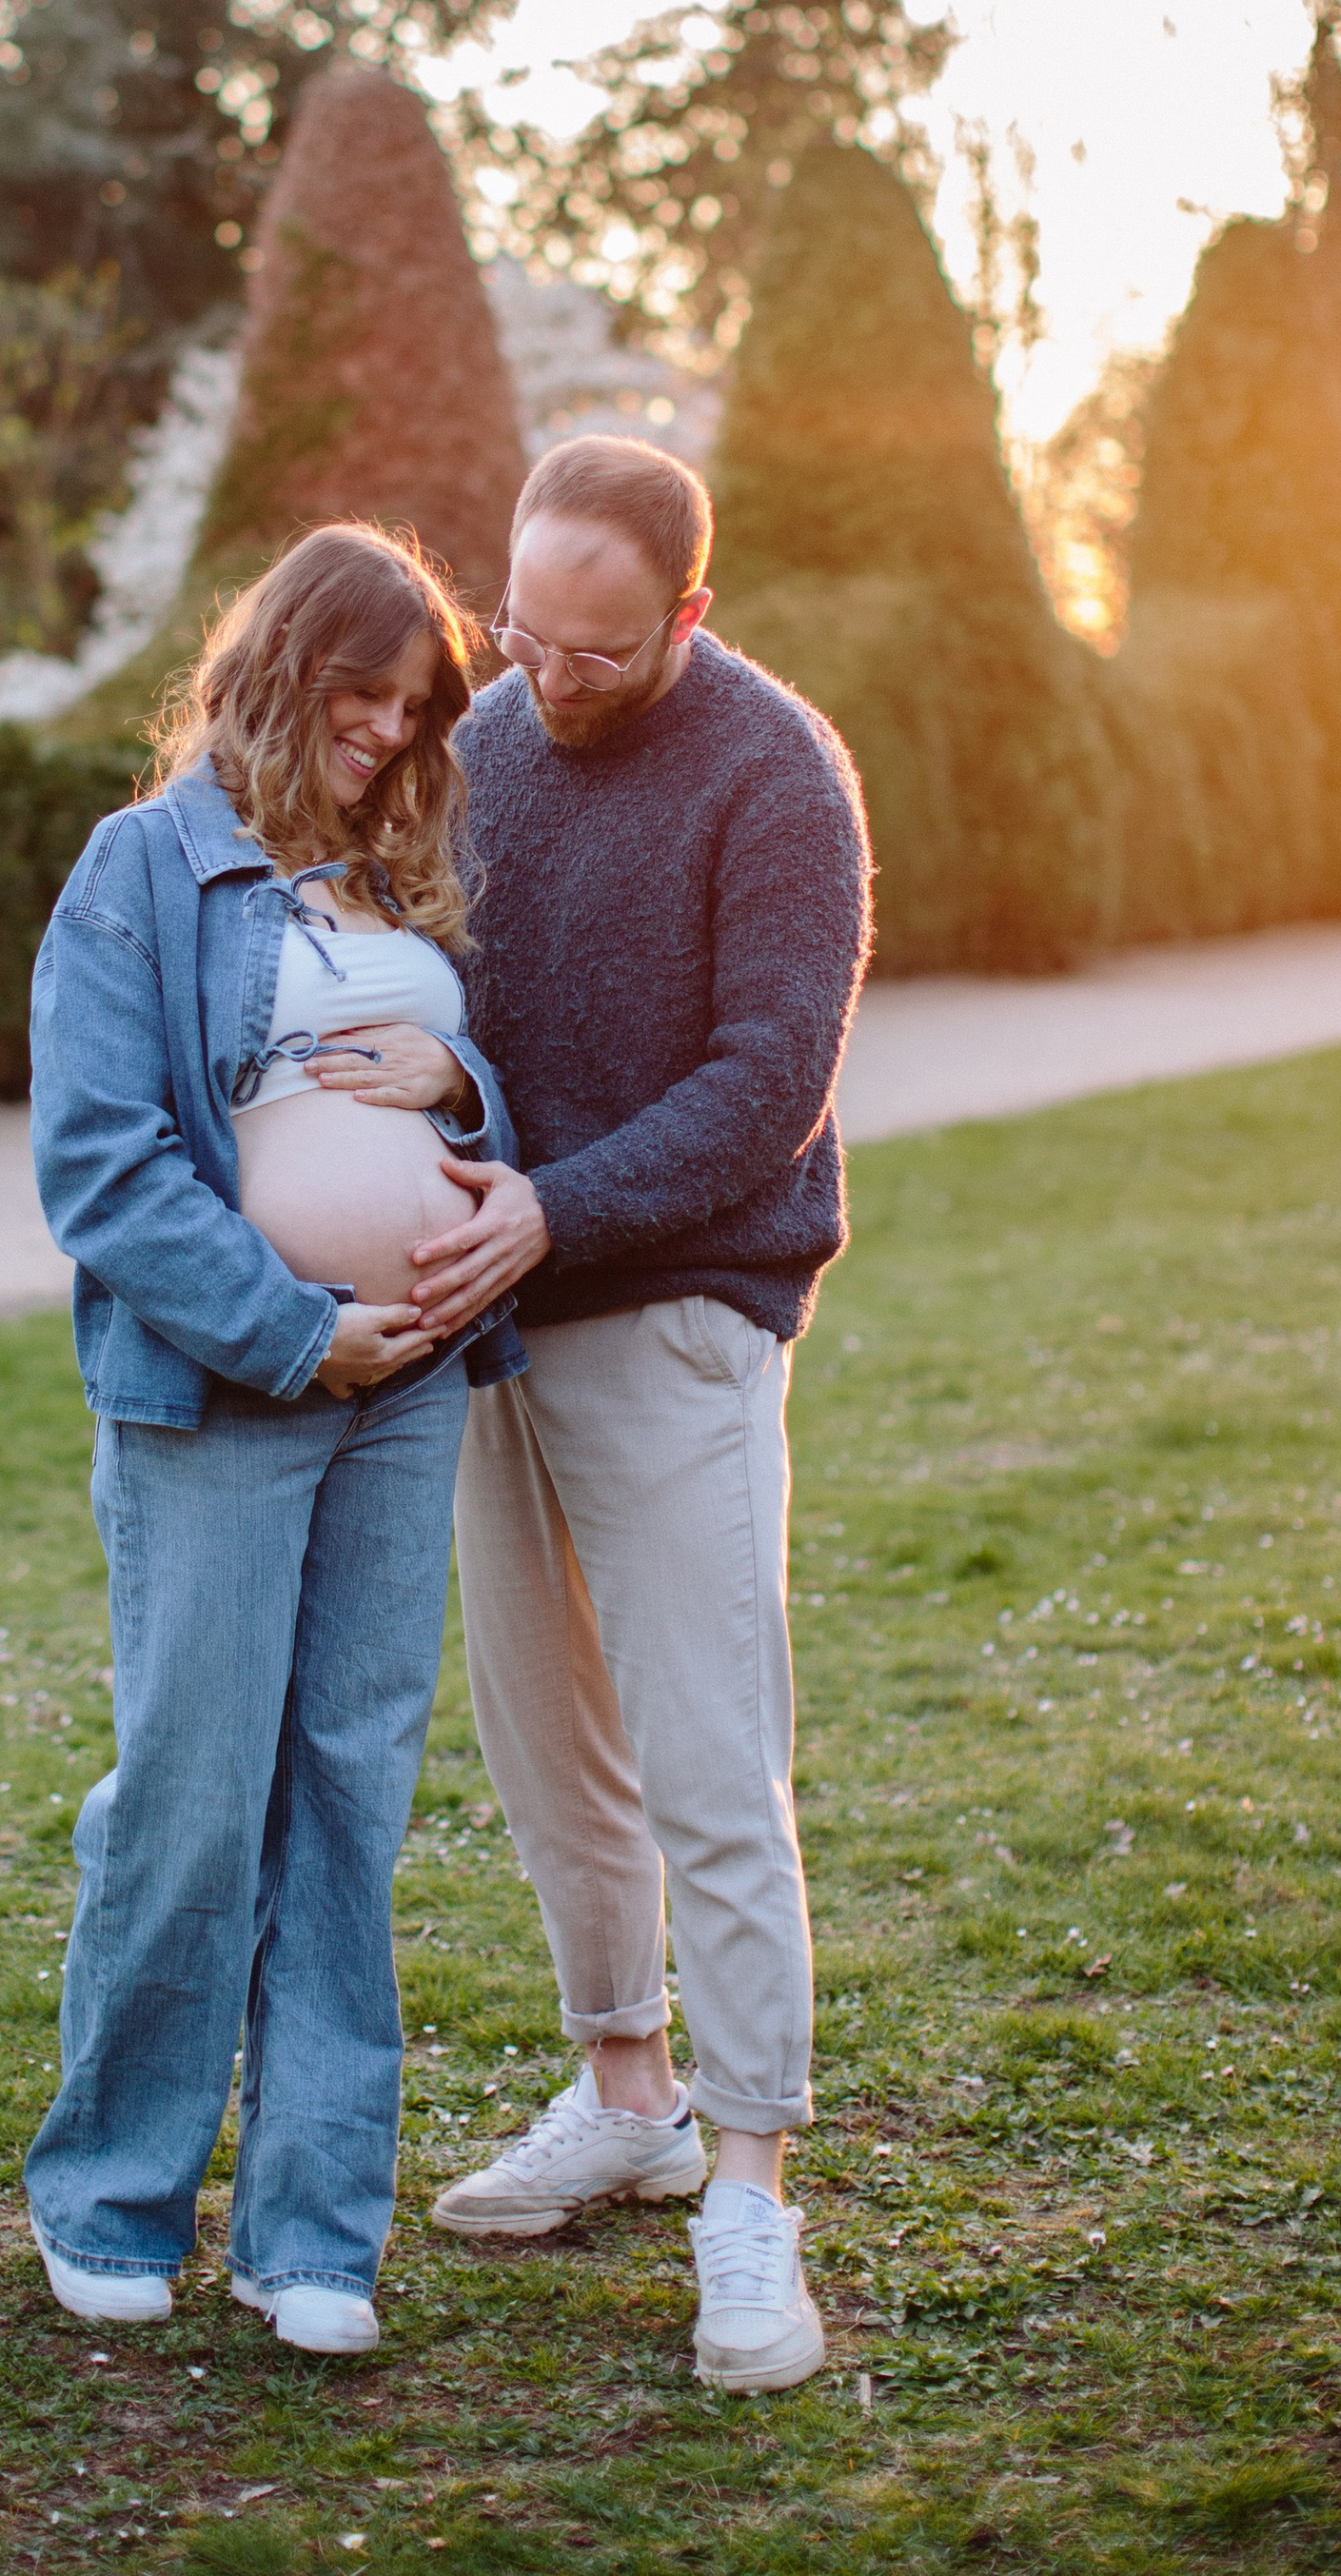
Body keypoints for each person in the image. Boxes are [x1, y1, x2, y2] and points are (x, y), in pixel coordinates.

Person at [23, 524, 527, 2359]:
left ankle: (313, 2229)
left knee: (348, 1789)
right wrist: (296, 1330)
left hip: (407, 1389)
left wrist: (464, 1090)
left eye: (413, 713)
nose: (388, 738)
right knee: (193, 1785)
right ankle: (117, 2193)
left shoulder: (395, 874)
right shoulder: (142, 872)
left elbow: (463, 1099)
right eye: (359, 699)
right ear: (275, 668)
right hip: (233, 1391)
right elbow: (101, 1165)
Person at [401, 434, 869, 2393]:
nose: (545, 680)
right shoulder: (490, 734)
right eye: (522, 634)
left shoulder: (775, 775)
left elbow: (763, 1077)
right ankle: (625, 2093)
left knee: (705, 1757)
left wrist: (550, 1211)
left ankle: (749, 2188)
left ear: (684, 611)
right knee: (546, 1747)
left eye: (595, 649)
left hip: (672, 1312)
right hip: (491, 1318)